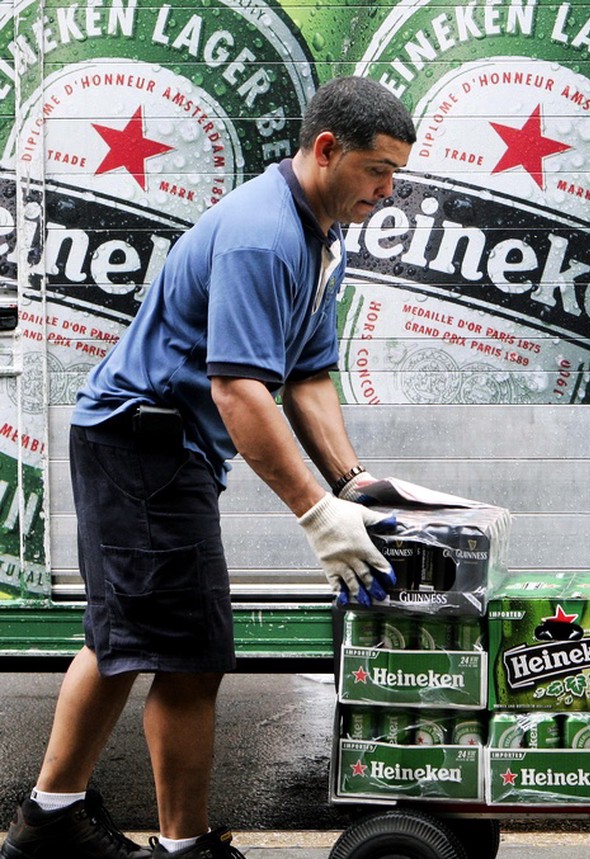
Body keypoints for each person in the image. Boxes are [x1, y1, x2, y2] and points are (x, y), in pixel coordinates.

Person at [0, 76, 416, 859]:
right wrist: (315, 514)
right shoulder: (266, 234)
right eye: (377, 170)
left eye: (396, 173)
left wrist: (349, 480)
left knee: (125, 633)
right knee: (189, 653)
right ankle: (184, 847)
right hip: (144, 442)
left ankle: (47, 820)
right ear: (326, 150)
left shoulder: (324, 236)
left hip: (145, 441)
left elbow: (306, 374)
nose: (388, 191)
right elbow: (238, 389)